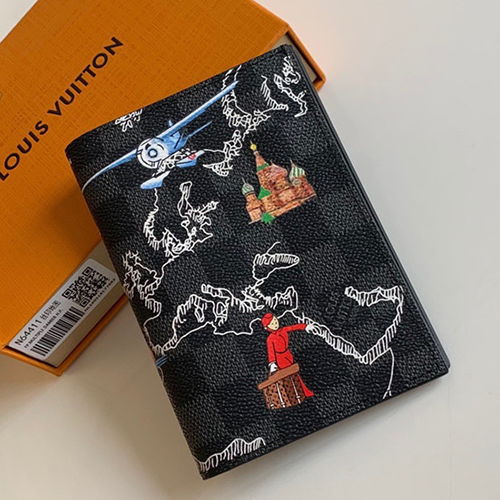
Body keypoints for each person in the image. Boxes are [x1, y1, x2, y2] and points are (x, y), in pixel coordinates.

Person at [262, 313, 314, 398]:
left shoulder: (283, 330)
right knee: (292, 375)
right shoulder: (270, 339)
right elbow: (271, 351)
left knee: (292, 374)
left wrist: (305, 326)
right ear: (267, 327)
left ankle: (299, 393)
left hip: (288, 355)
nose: (275, 324)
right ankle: (303, 392)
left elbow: (294, 327)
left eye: (275, 321)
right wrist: (272, 363)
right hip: (280, 359)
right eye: (272, 323)